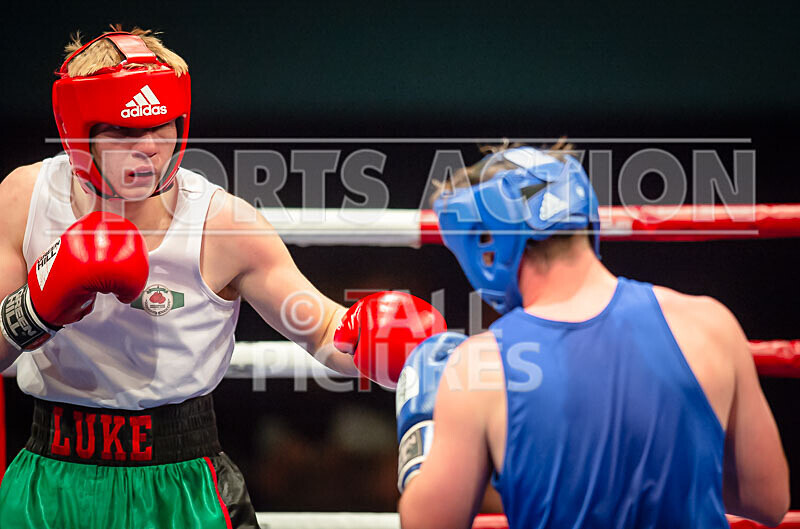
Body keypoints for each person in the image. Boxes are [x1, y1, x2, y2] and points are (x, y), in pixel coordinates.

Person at [0, 27, 442, 528]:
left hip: (182, 482)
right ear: (77, 131)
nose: (149, 148)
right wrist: (35, 309)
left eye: (161, 126)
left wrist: (378, 338)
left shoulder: (223, 225)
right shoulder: (25, 199)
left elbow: (321, 329)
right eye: (124, 132)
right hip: (50, 475)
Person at [393, 143, 790, 528]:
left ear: (490, 246)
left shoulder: (483, 365)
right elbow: (768, 501)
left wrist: (420, 435)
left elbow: (431, 524)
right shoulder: (709, 324)